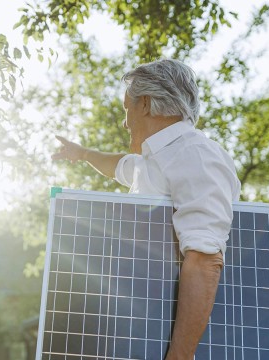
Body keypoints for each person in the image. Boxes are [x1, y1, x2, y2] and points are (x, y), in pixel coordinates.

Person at [52, 59, 241, 360]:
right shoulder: (159, 159)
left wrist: (179, 357)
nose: (125, 122)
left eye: (127, 108)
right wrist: (83, 154)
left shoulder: (196, 155)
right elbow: (119, 167)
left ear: (145, 104)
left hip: (172, 342)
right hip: (144, 331)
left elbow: (204, 260)